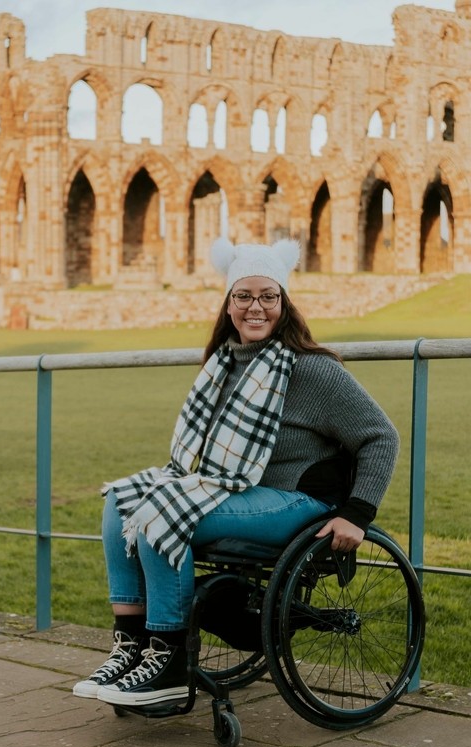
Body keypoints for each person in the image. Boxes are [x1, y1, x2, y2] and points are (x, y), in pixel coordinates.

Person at [72, 237, 400, 708]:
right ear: (228, 305)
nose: (256, 307)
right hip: (242, 492)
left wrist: (357, 514)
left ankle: (168, 661)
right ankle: (132, 647)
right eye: (243, 296)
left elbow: (381, 436)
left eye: (269, 296)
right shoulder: (223, 366)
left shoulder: (312, 370)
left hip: (301, 500)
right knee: (122, 499)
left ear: (284, 304)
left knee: (161, 512)